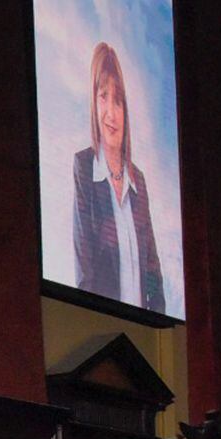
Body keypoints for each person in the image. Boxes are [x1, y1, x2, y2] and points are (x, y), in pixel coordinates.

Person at [71, 42, 164, 310]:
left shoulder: (138, 181)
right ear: (93, 101)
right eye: (103, 96)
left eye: (118, 99)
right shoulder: (84, 167)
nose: (111, 112)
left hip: (143, 332)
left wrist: (157, 322)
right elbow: (84, 270)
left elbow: (153, 274)